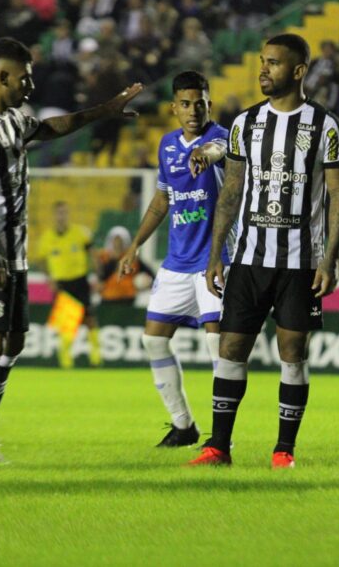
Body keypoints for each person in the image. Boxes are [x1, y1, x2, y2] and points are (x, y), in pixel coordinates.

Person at [0, 37, 142, 464]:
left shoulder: (15, 119)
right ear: (1, 76)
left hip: (13, 252)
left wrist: (104, 111)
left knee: (14, 341)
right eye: (24, 76)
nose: (30, 85)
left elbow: (53, 127)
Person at [187, 34, 339, 469]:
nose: (263, 70)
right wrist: (215, 254)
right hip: (248, 258)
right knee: (230, 348)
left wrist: (330, 259)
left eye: (273, 63)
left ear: (298, 72)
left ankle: (284, 450)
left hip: (300, 262)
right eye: (262, 61)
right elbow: (232, 192)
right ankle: (218, 447)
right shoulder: (245, 124)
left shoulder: (326, 126)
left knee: (293, 353)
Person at [119, 71, 229, 447]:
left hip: (216, 261)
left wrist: (205, 154)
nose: (193, 110)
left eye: (200, 102)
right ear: (174, 108)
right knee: (153, 341)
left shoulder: (223, 138)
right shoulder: (166, 145)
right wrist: (135, 245)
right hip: (177, 263)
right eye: (185, 104)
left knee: (219, 347)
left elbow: (218, 152)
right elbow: (162, 200)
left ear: (209, 103)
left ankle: (222, 438)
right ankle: (184, 426)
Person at [34, 201, 100, 369]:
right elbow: (41, 261)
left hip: (80, 280)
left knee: (89, 318)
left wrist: (97, 276)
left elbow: (93, 254)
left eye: (64, 213)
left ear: (68, 214)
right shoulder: (47, 238)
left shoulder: (80, 233)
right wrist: (49, 278)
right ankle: (65, 358)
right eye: (59, 213)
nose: (61, 216)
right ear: (54, 215)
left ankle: (96, 356)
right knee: (67, 323)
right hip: (62, 283)